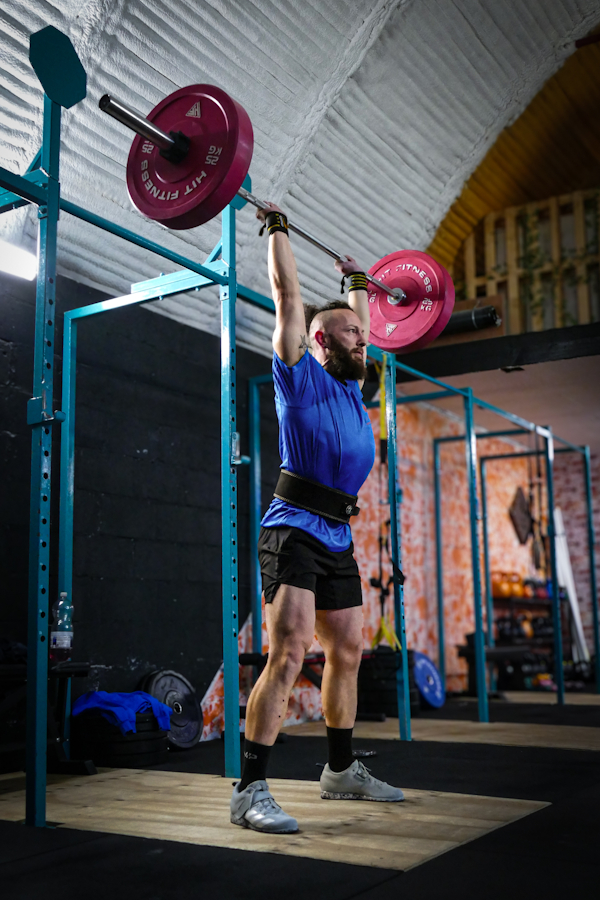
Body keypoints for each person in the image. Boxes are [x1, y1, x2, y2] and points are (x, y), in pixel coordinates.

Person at [230, 203, 404, 835]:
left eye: (362, 331)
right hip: (293, 528)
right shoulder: (298, 375)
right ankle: (249, 790)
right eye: (351, 333)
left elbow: (360, 320)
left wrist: (357, 280)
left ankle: (340, 769)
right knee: (290, 649)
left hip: (337, 534)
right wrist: (278, 229)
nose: (364, 337)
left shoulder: (353, 387)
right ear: (320, 341)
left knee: (348, 649)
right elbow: (288, 296)